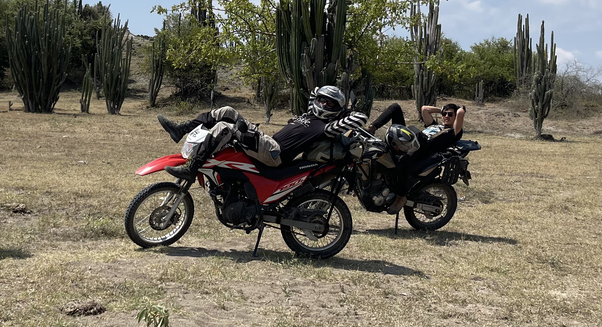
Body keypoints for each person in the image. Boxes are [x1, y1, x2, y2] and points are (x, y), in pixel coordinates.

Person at [157, 85, 367, 181]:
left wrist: (344, 111)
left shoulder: (327, 126)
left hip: (274, 154)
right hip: (266, 141)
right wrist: (326, 95)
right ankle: (181, 129)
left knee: (225, 128)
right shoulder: (311, 114)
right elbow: (315, 91)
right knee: (227, 112)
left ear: (335, 109)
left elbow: (361, 118)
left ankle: (193, 168)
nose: (321, 103)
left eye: (328, 103)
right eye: (321, 100)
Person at [367, 102, 466, 213]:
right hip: (410, 139)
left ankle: (401, 197)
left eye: (450, 114)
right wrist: (441, 109)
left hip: (420, 149)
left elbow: (461, 112)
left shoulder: (454, 132)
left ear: (456, 117)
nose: (446, 116)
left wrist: (458, 110)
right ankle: (373, 127)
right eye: (445, 114)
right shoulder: (434, 125)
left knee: (400, 164)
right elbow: (424, 109)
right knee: (395, 108)